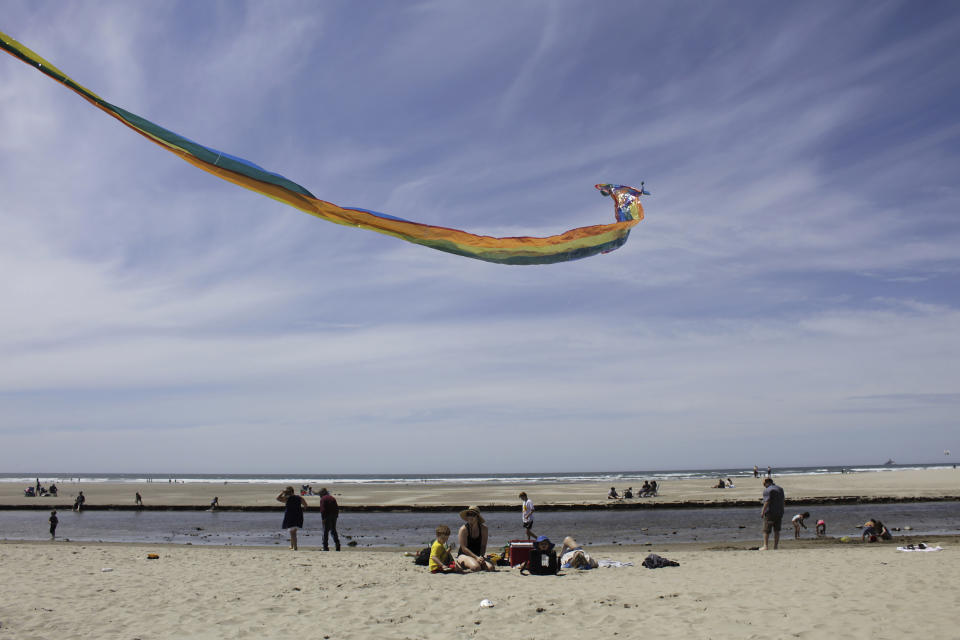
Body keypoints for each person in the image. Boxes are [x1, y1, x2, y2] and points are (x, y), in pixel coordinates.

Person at [457, 506, 496, 571]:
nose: (470, 517)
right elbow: (464, 548)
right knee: (476, 567)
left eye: (472, 515)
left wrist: (481, 556)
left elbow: (483, 546)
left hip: (478, 555)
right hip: (464, 555)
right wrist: (476, 557)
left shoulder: (484, 529)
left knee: (490, 568)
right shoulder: (463, 529)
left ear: (477, 517)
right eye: (468, 514)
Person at [277, 486, 307, 550]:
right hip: (298, 516)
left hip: (290, 516)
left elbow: (277, 498)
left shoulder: (287, 499)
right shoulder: (299, 498)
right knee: (292, 532)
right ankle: (292, 546)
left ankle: (295, 547)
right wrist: (301, 510)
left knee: (293, 533)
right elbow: (305, 505)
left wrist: (282, 492)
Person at [759, 477, 784, 550]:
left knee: (766, 530)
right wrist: (782, 510)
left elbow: (767, 502)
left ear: (767, 482)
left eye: (764, 483)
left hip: (770, 513)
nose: (763, 485)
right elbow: (782, 501)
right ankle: (775, 546)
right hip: (779, 512)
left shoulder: (767, 490)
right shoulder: (780, 489)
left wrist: (762, 512)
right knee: (777, 530)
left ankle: (765, 546)